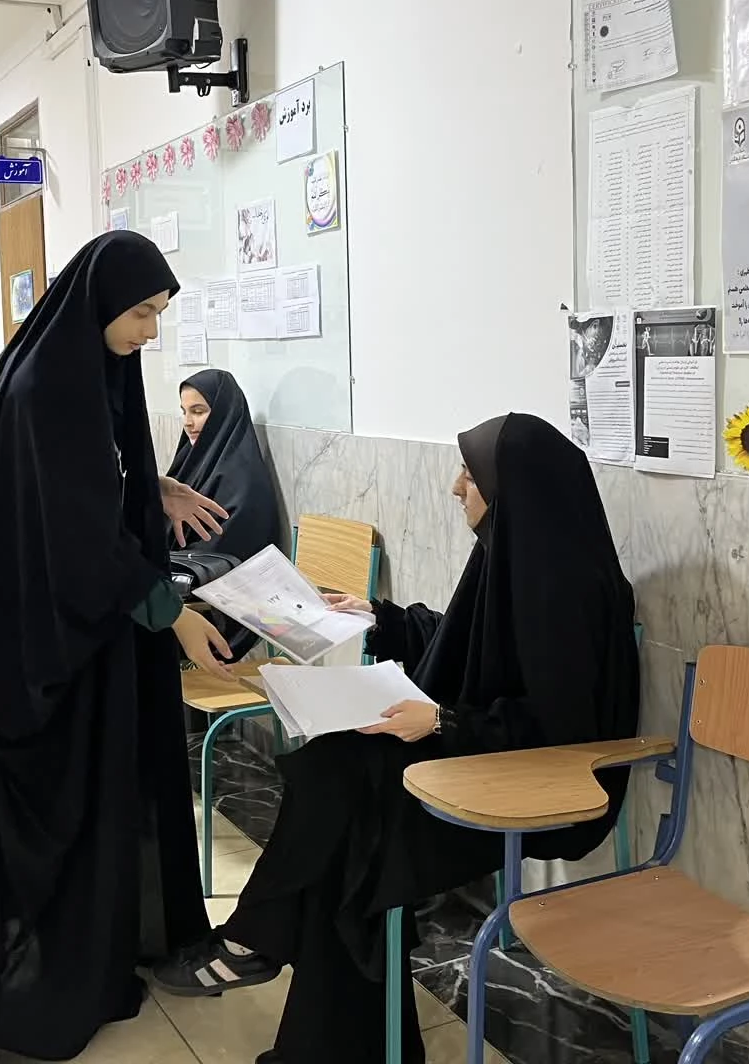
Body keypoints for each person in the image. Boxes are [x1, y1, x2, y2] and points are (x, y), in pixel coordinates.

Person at [152, 413, 640, 1063]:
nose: (455, 487)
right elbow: (465, 641)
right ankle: (269, 957)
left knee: (344, 810)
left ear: (513, 489)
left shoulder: (565, 589)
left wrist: (441, 722)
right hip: (481, 755)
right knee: (342, 819)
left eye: (471, 476)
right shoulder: (519, 553)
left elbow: (561, 730)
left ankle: (258, 939)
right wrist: (377, 617)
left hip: (536, 787)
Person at [0, 231, 240, 1064]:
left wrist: (151, 485)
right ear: (98, 303)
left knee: (92, 800)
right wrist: (171, 613)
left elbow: (80, 480)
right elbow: (75, 536)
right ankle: (14, 989)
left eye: (159, 313)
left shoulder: (66, 369)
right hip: (35, 645)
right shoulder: (45, 389)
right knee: (40, 810)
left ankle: (88, 958)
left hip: (65, 628)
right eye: (140, 313)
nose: (150, 331)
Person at [169, 370, 281, 657]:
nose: (188, 422)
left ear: (223, 414)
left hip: (219, 610)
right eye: (184, 412)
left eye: (198, 411)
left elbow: (225, 557)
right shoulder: (193, 461)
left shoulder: (241, 479)